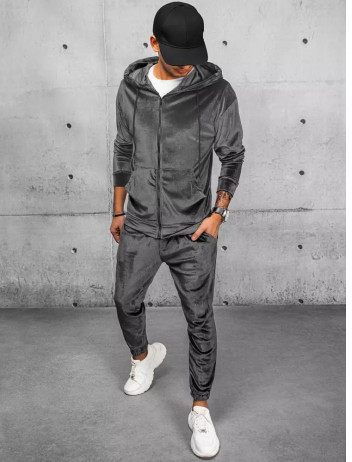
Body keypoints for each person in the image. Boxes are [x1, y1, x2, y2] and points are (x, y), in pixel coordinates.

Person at [110, 2, 245, 458]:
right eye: (177, 57)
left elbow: (233, 154)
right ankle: (143, 358)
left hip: (193, 228)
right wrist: (118, 210)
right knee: (125, 300)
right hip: (140, 222)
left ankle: (200, 409)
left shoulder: (217, 93)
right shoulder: (131, 90)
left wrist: (218, 214)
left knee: (199, 319)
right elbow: (123, 148)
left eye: (193, 56)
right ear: (154, 43)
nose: (187, 65)